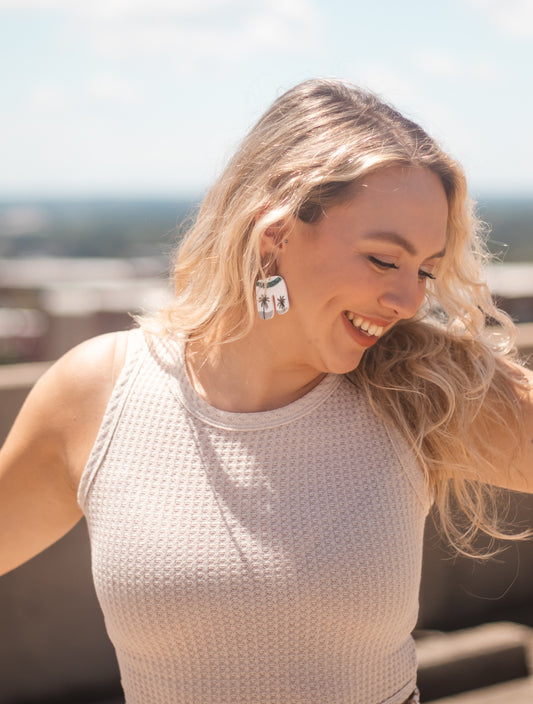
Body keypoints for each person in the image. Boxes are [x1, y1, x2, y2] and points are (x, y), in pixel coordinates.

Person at [0, 78, 532, 704]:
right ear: (274, 235)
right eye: (385, 262)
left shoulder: (424, 387)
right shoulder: (98, 393)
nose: (410, 300)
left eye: (427, 270)